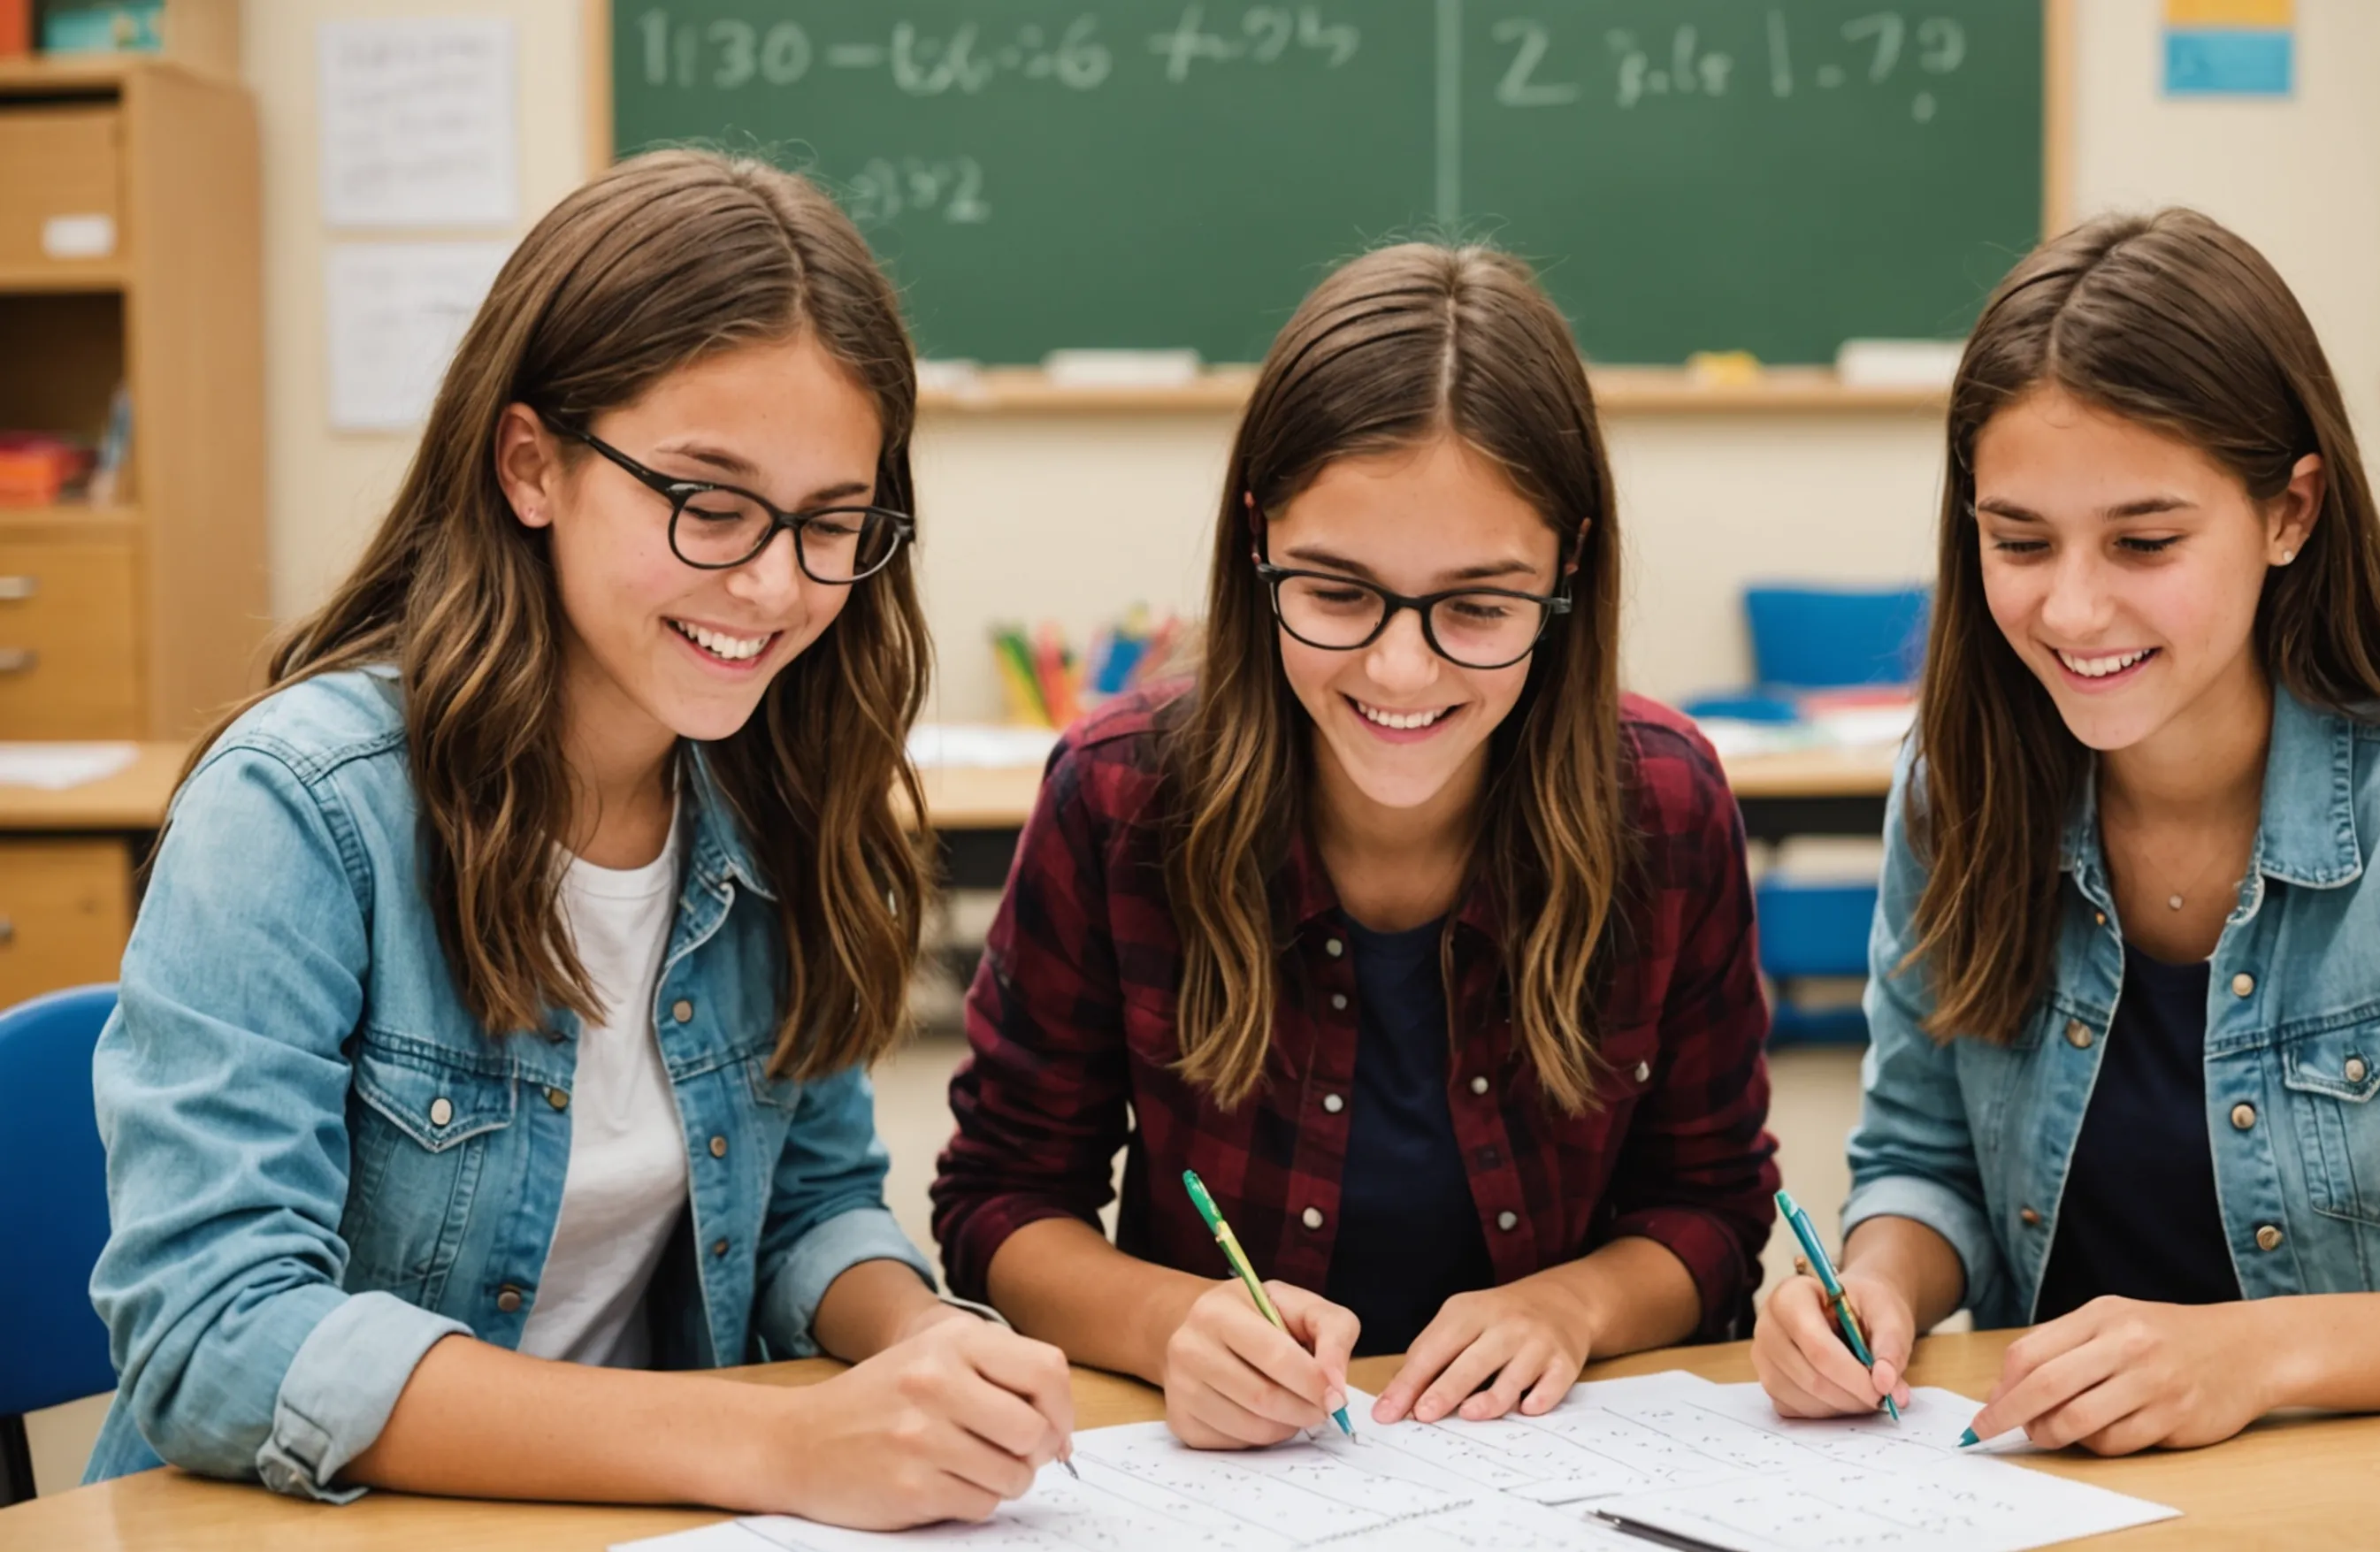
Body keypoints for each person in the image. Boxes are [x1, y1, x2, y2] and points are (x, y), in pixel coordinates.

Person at [86, 150, 1072, 1530]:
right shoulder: (300, 810)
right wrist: (761, 1444)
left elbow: (810, 1205)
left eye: (831, 522)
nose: (776, 583)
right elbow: (215, 1334)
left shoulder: (782, 794)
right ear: (531, 463)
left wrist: (917, 1337)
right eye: (708, 502)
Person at [1752, 208, 2380, 1455]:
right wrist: (1878, 1283)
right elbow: (1924, 1164)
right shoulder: (1959, 788)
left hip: (2376, 1504)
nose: (2074, 604)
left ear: (2291, 511)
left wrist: (2258, 1352)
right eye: (2018, 541)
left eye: (2146, 541)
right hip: (2040, 1497)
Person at [933, 242, 1779, 1449]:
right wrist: (1173, 1321)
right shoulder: (1120, 798)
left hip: (1549, 1476)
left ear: (1568, 569)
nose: (1400, 669)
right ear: (1256, 538)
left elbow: (1712, 1204)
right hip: (1229, 1481)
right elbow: (999, 1201)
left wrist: (1574, 1302)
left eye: (1479, 607)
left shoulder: (1663, 804)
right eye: (1335, 593)